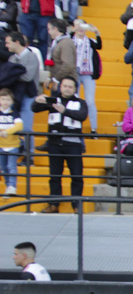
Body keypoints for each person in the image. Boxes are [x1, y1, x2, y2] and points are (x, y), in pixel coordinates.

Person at [32, 76, 86, 213]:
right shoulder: (53, 100)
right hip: (54, 143)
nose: (67, 88)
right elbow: (35, 108)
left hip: (73, 144)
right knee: (55, 176)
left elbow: (82, 115)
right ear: (60, 87)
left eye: (70, 86)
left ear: (75, 89)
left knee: (76, 176)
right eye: (65, 86)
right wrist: (37, 101)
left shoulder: (81, 102)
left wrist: (65, 111)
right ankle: (54, 204)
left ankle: (77, 205)